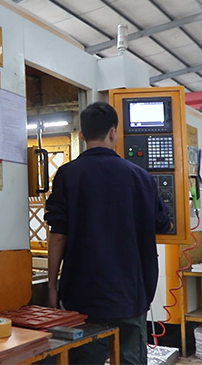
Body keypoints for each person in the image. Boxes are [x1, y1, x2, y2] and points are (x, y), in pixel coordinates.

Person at [45, 101, 171, 364]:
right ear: (113, 133)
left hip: (82, 294)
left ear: (82, 134)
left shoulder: (67, 175)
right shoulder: (141, 177)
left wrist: (52, 285)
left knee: (86, 357)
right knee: (130, 357)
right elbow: (162, 224)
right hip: (130, 292)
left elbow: (58, 234)